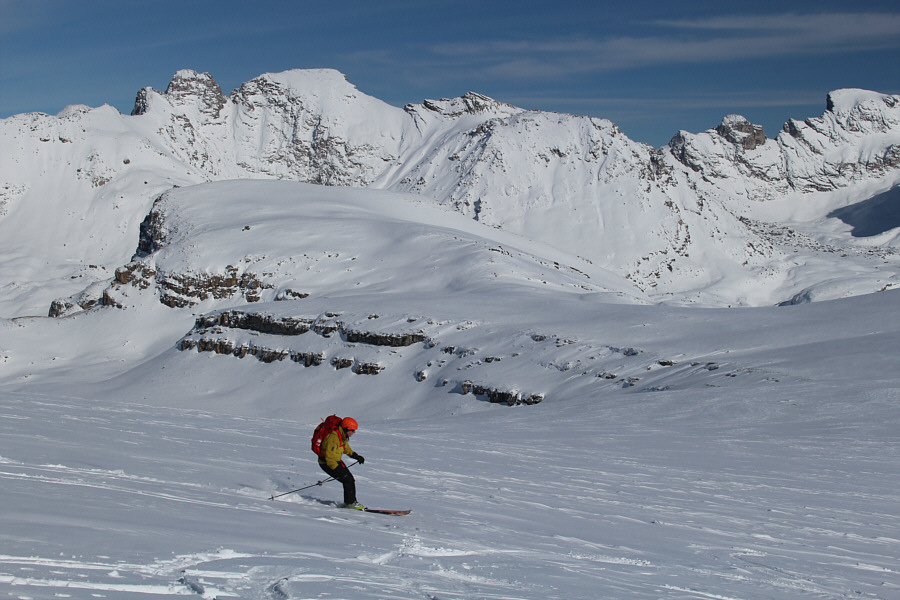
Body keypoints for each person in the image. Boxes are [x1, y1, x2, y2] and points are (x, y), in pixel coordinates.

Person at [318, 417, 366, 509]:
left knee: (349, 479)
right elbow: (329, 457)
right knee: (348, 479)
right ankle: (350, 503)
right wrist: (337, 469)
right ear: (346, 429)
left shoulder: (342, 436)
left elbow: (346, 449)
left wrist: (356, 456)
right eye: (352, 430)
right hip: (327, 463)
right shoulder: (333, 437)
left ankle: (350, 503)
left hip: (334, 461)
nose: (354, 433)